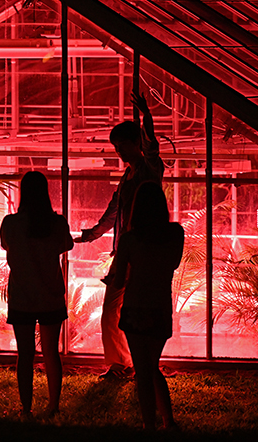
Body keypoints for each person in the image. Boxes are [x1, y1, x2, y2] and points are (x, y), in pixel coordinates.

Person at [74, 92, 163, 379]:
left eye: (122, 146)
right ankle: (124, 363)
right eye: (116, 147)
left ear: (136, 144)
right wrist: (89, 236)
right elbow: (113, 213)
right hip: (125, 253)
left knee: (121, 309)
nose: (119, 152)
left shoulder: (148, 170)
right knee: (113, 310)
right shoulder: (128, 176)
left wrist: (147, 118)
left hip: (140, 252)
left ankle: (128, 363)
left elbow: (153, 150)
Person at [0, 171, 73, 417]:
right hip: (51, 293)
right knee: (51, 352)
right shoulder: (57, 223)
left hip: (21, 294)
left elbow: (5, 245)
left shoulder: (10, 224)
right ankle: (54, 404)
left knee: (25, 354)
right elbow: (67, 245)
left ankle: (26, 407)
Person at [112, 181, 183, 430]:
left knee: (143, 371)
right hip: (160, 307)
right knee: (152, 367)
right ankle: (168, 420)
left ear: (137, 208)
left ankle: (149, 426)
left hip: (135, 307)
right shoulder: (175, 234)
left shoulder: (129, 239)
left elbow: (119, 280)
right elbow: (172, 264)